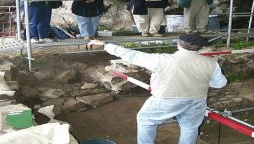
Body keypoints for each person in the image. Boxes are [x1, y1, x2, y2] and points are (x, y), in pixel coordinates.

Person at [87, 33, 227, 144]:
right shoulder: (211, 63)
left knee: (145, 119)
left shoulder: (162, 59)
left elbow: (131, 55)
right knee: (190, 127)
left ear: (179, 44)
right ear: (199, 47)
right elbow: (220, 84)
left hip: (167, 99)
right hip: (197, 101)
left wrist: (105, 45)